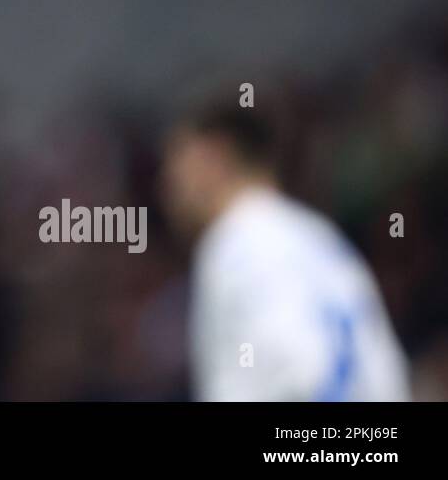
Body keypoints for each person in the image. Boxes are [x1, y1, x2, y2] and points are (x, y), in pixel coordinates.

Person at [160, 100, 409, 401]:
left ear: (214, 156)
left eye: (177, 161)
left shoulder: (237, 242)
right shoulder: (317, 235)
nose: (168, 184)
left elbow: (304, 368)